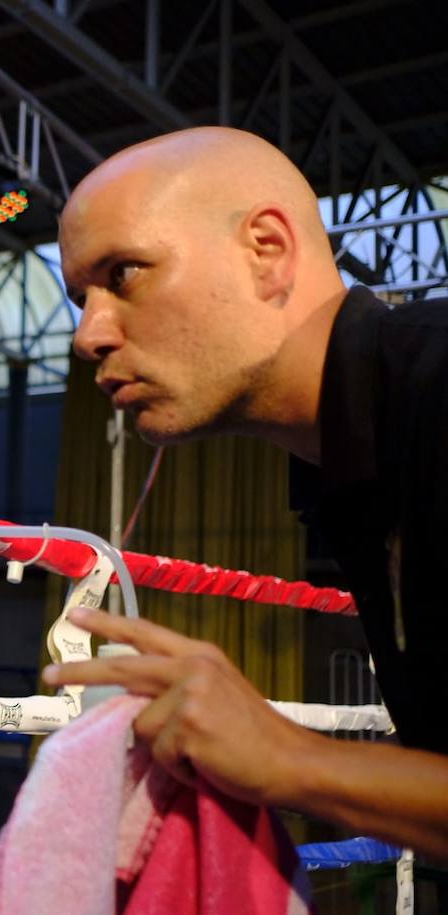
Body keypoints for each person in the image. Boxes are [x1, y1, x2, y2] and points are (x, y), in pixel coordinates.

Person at [45, 125, 448, 859]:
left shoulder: (439, 388)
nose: (89, 335)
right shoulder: (344, 465)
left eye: (125, 273)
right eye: (81, 297)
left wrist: (291, 757)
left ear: (267, 251)